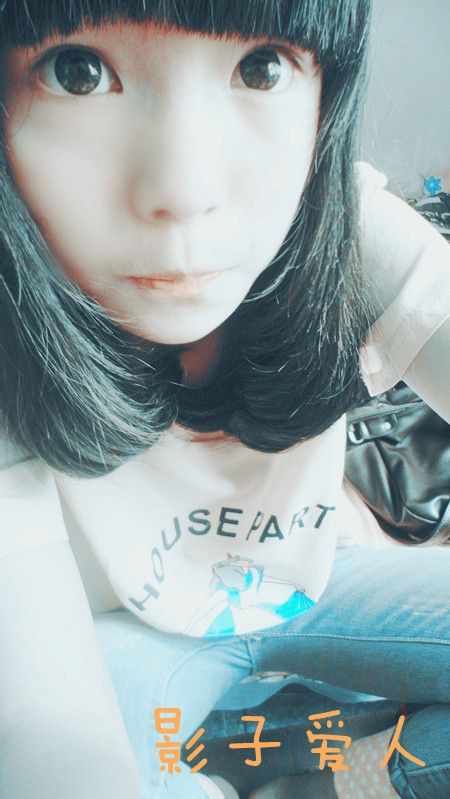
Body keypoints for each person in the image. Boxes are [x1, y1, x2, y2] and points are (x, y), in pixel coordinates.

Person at [0, 1, 449, 798]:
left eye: (261, 68)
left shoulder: (343, 225)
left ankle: (359, 780)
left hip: (318, 583)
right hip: (122, 637)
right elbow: (46, 726)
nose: (186, 190)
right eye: (78, 71)